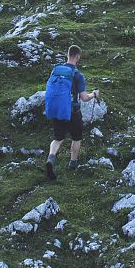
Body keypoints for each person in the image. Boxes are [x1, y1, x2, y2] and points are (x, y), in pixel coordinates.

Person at [43, 45, 101, 179]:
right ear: (78, 57)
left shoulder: (56, 70)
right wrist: (94, 94)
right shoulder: (78, 75)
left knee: (58, 138)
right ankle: (73, 163)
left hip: (58, 110)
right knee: (76, 137)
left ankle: (51, 158)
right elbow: (84, 98)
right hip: (73, 112)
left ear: (67, 55)